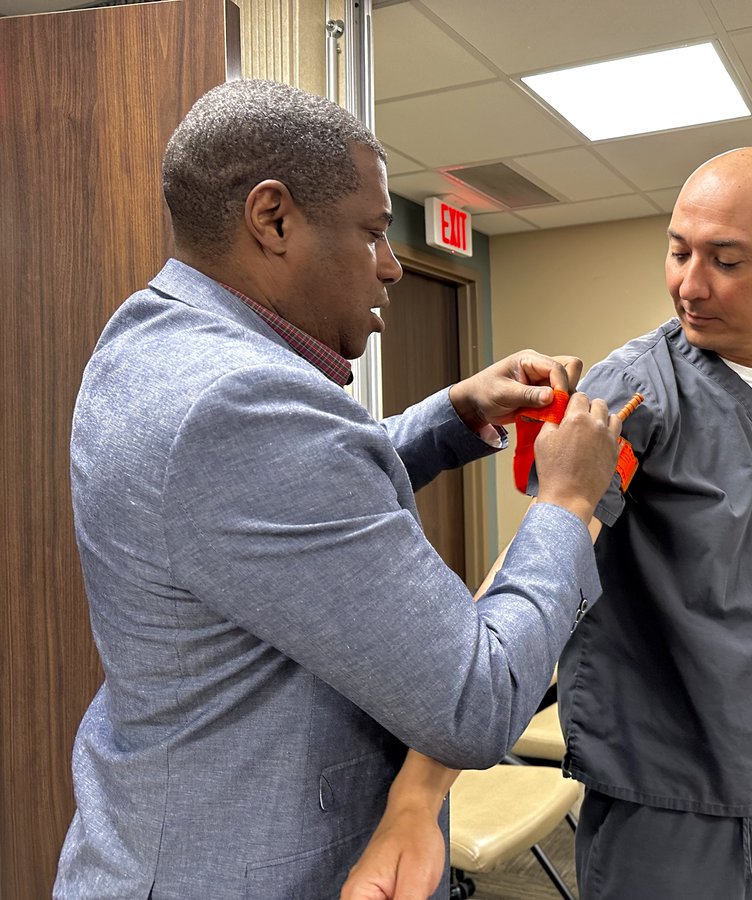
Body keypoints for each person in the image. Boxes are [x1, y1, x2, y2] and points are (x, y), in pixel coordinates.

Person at [54, 79, 622, 900]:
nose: (391, 266)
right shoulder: (241, 406)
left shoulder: (152, 338)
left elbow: (282, 509)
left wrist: (454, 414)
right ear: (274, 218)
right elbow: (474, 698)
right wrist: (567, 500)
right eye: (375, 233)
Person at [346, 149, 752, 898]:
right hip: (668, 794)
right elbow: (537, 568)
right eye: (678, 252)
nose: (690, 285)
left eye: (725, 260)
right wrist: (419, 797)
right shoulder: (635, 393)